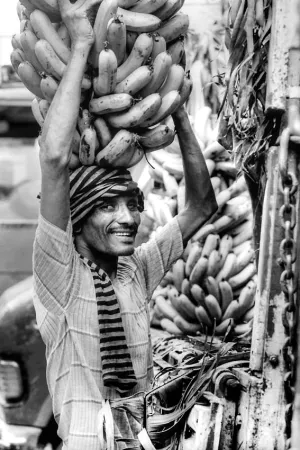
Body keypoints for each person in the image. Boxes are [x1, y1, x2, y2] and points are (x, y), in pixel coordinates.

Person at [32, 0, 218, 449]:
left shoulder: (135, 270)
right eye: (109, 206)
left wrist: (175, 112)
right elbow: (56, 158)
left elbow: (201, 208)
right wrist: (80, 45)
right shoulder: (60, 272)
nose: (129, 218)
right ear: (77, 216)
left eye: (133, 205)